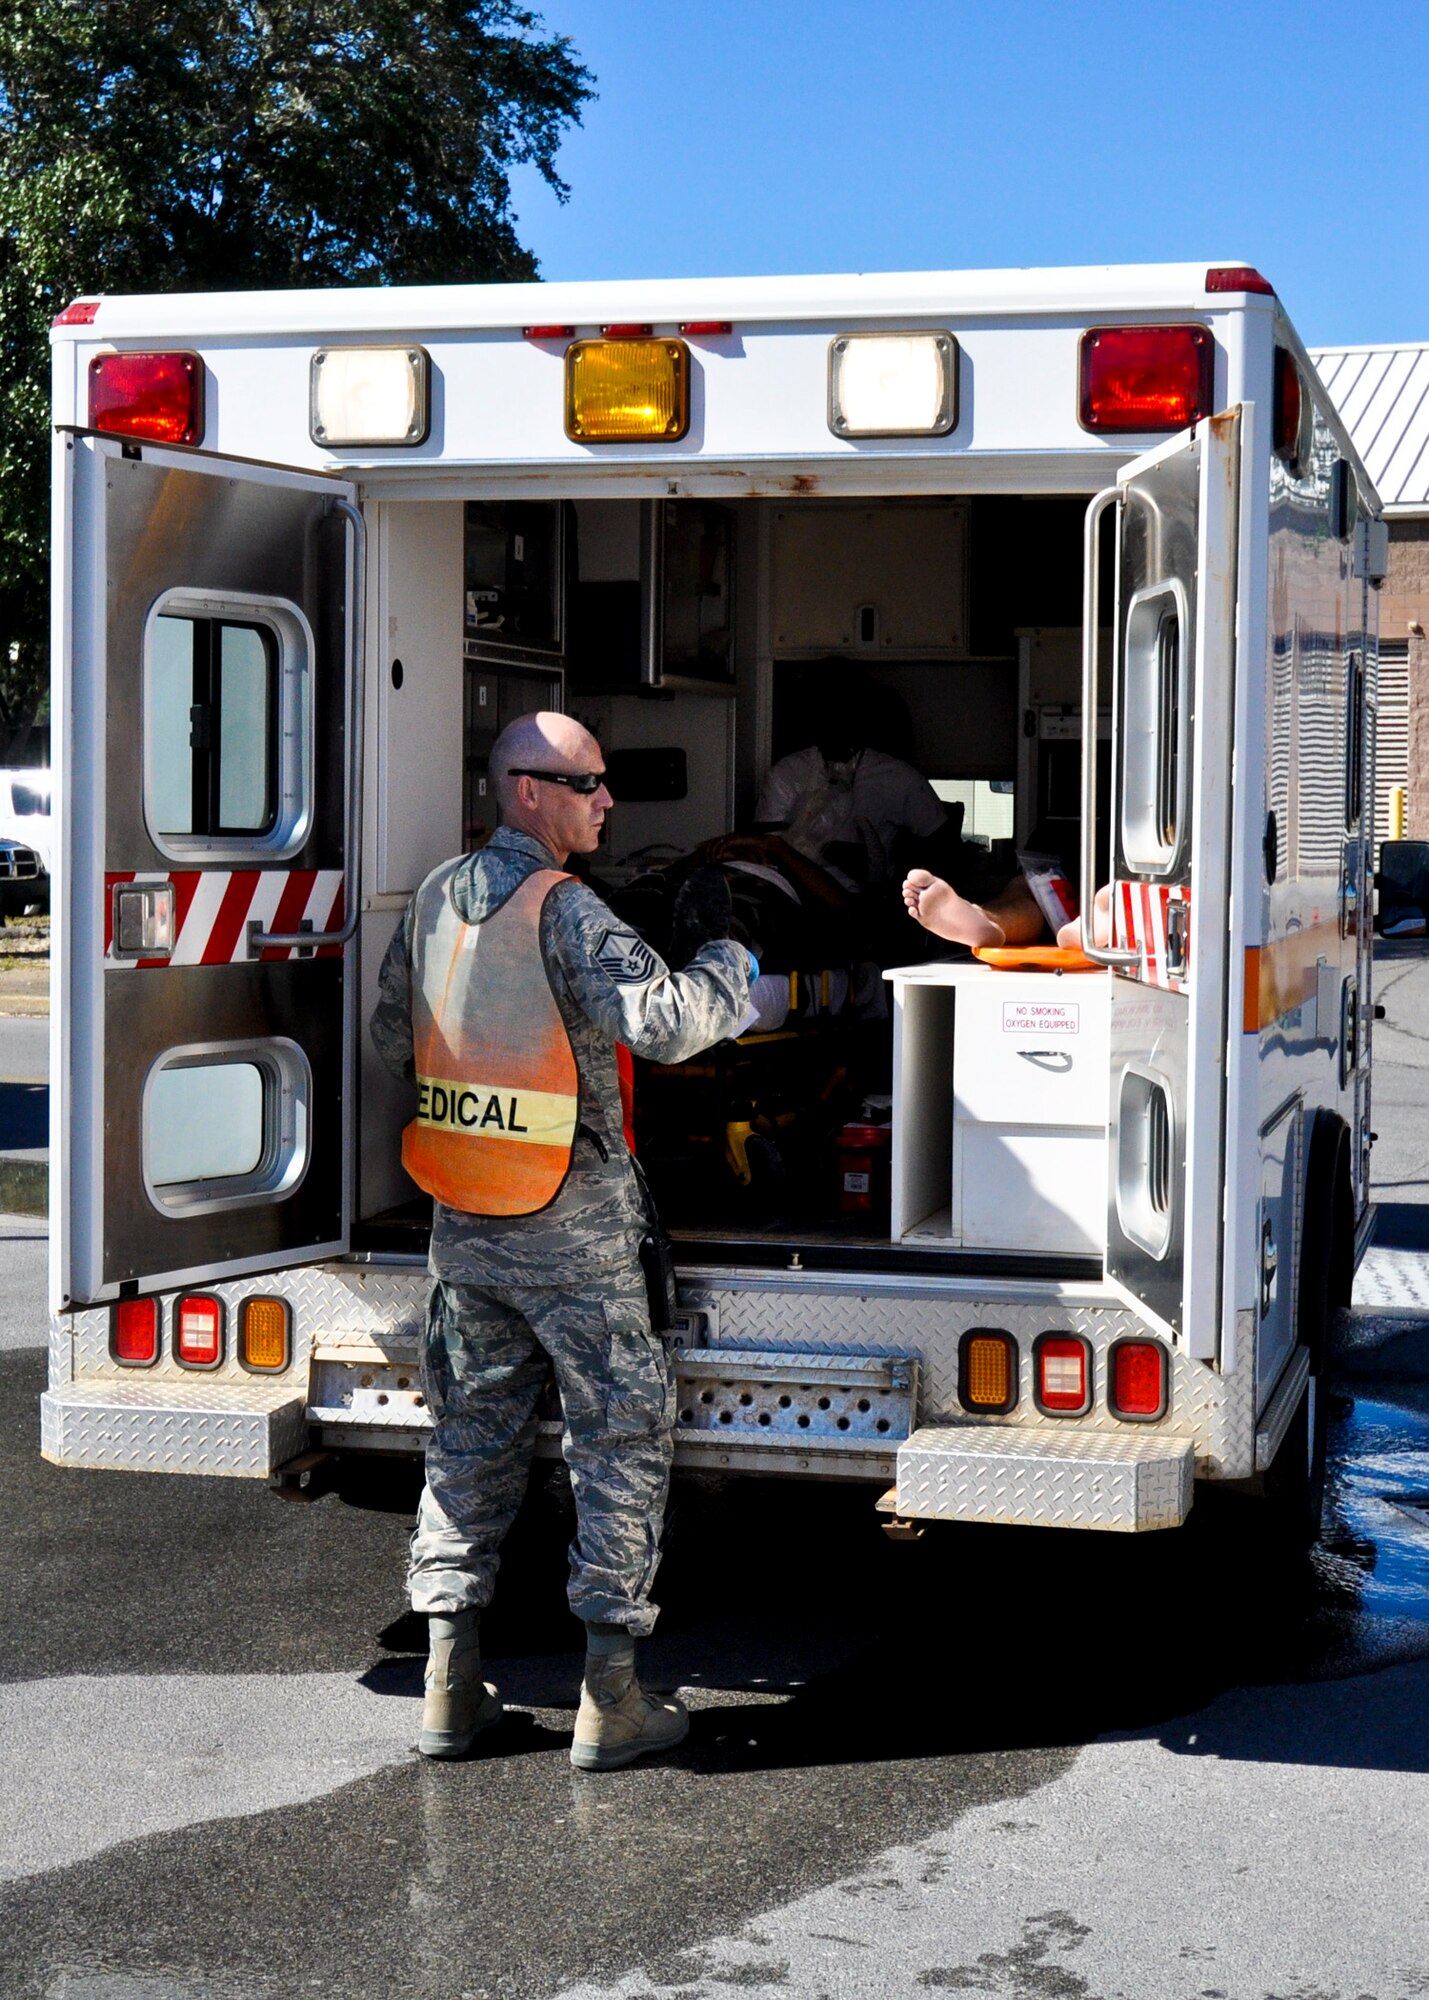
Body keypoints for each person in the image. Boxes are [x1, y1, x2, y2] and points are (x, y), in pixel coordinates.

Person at [370, 712, 754, 1772]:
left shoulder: (436, 899)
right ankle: (612, 1698)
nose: (607, 801)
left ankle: (450, 1687)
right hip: (577, 1238)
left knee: (464, 1447)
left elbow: (386, 1037)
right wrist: (726, 953)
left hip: (465, 1232)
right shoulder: (569, 910)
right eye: (588, 784)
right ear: (527, 793)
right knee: (617, 1447)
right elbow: (669, 1023)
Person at [754, 660, 948, 891]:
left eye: (844, 711)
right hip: (791, 893)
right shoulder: (787, 774)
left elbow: (942, 841)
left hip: (862, 900)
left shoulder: (897, 778)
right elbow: (764, 845)